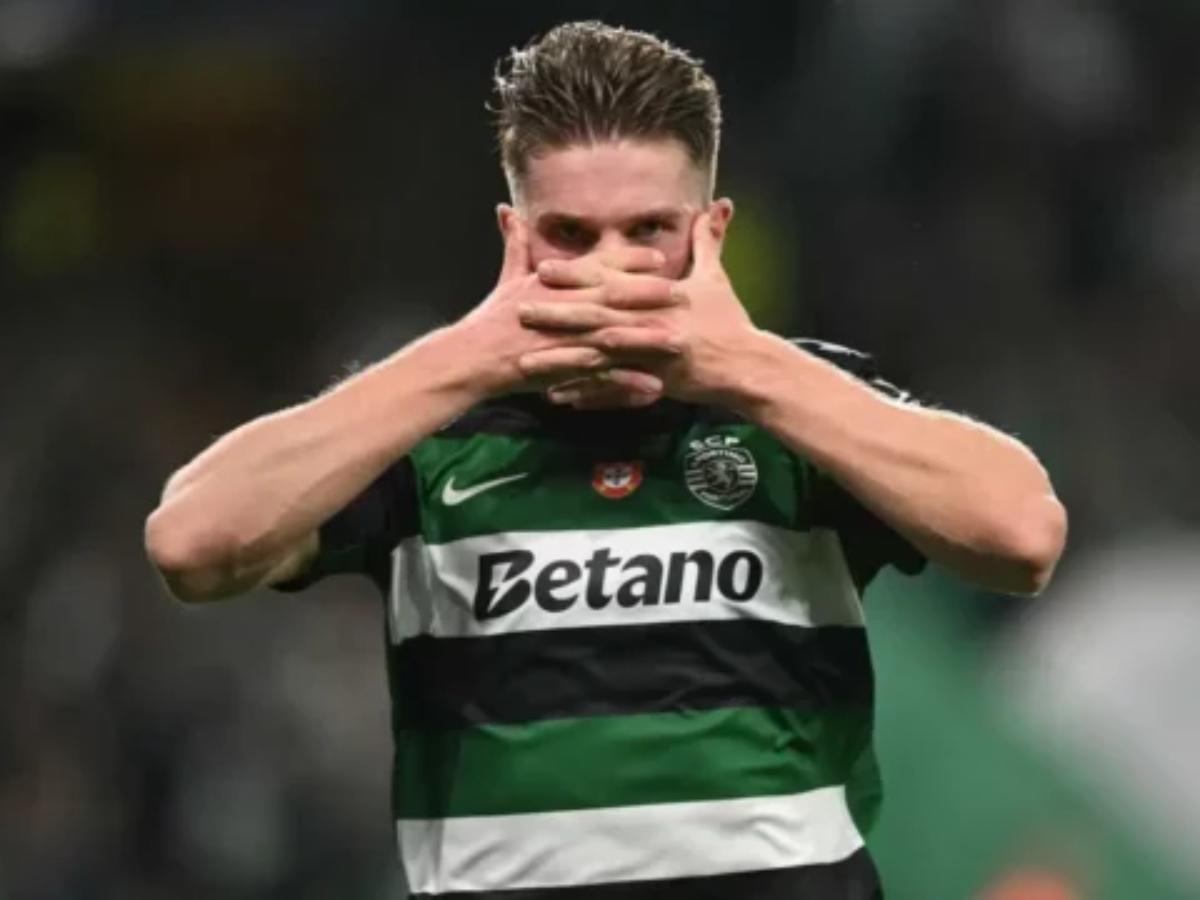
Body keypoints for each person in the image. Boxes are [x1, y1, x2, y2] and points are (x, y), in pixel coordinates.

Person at [144, 21, 1068, 900]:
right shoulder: (429, 433)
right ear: (515, 238)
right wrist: (469, 355)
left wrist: (744, 367)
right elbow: (192, 543)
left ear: (711, 232)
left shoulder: (801, 409)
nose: (610, 271)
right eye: (571, 235)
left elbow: (1023, 535)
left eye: (648, 230)